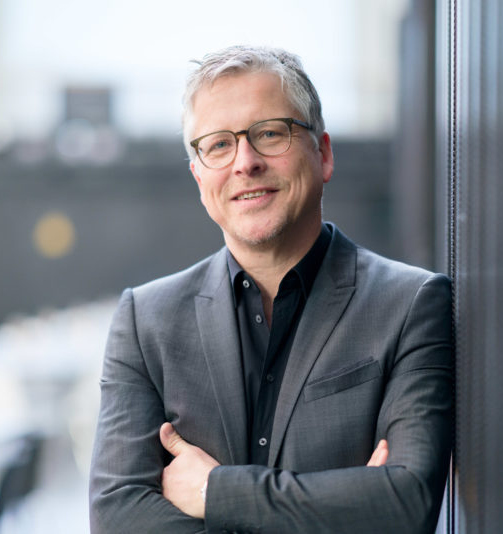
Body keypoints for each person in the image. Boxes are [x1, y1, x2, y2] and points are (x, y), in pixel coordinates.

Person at [89, 45, 452, 534]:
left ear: (321, 153)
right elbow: (117, 518)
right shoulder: (145, 320)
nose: (245, 162)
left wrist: (213, 492)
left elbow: (405, 505)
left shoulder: (411, 304)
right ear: (199, 176)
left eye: (269, 134)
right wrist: (345, 508)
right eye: (218, 145)